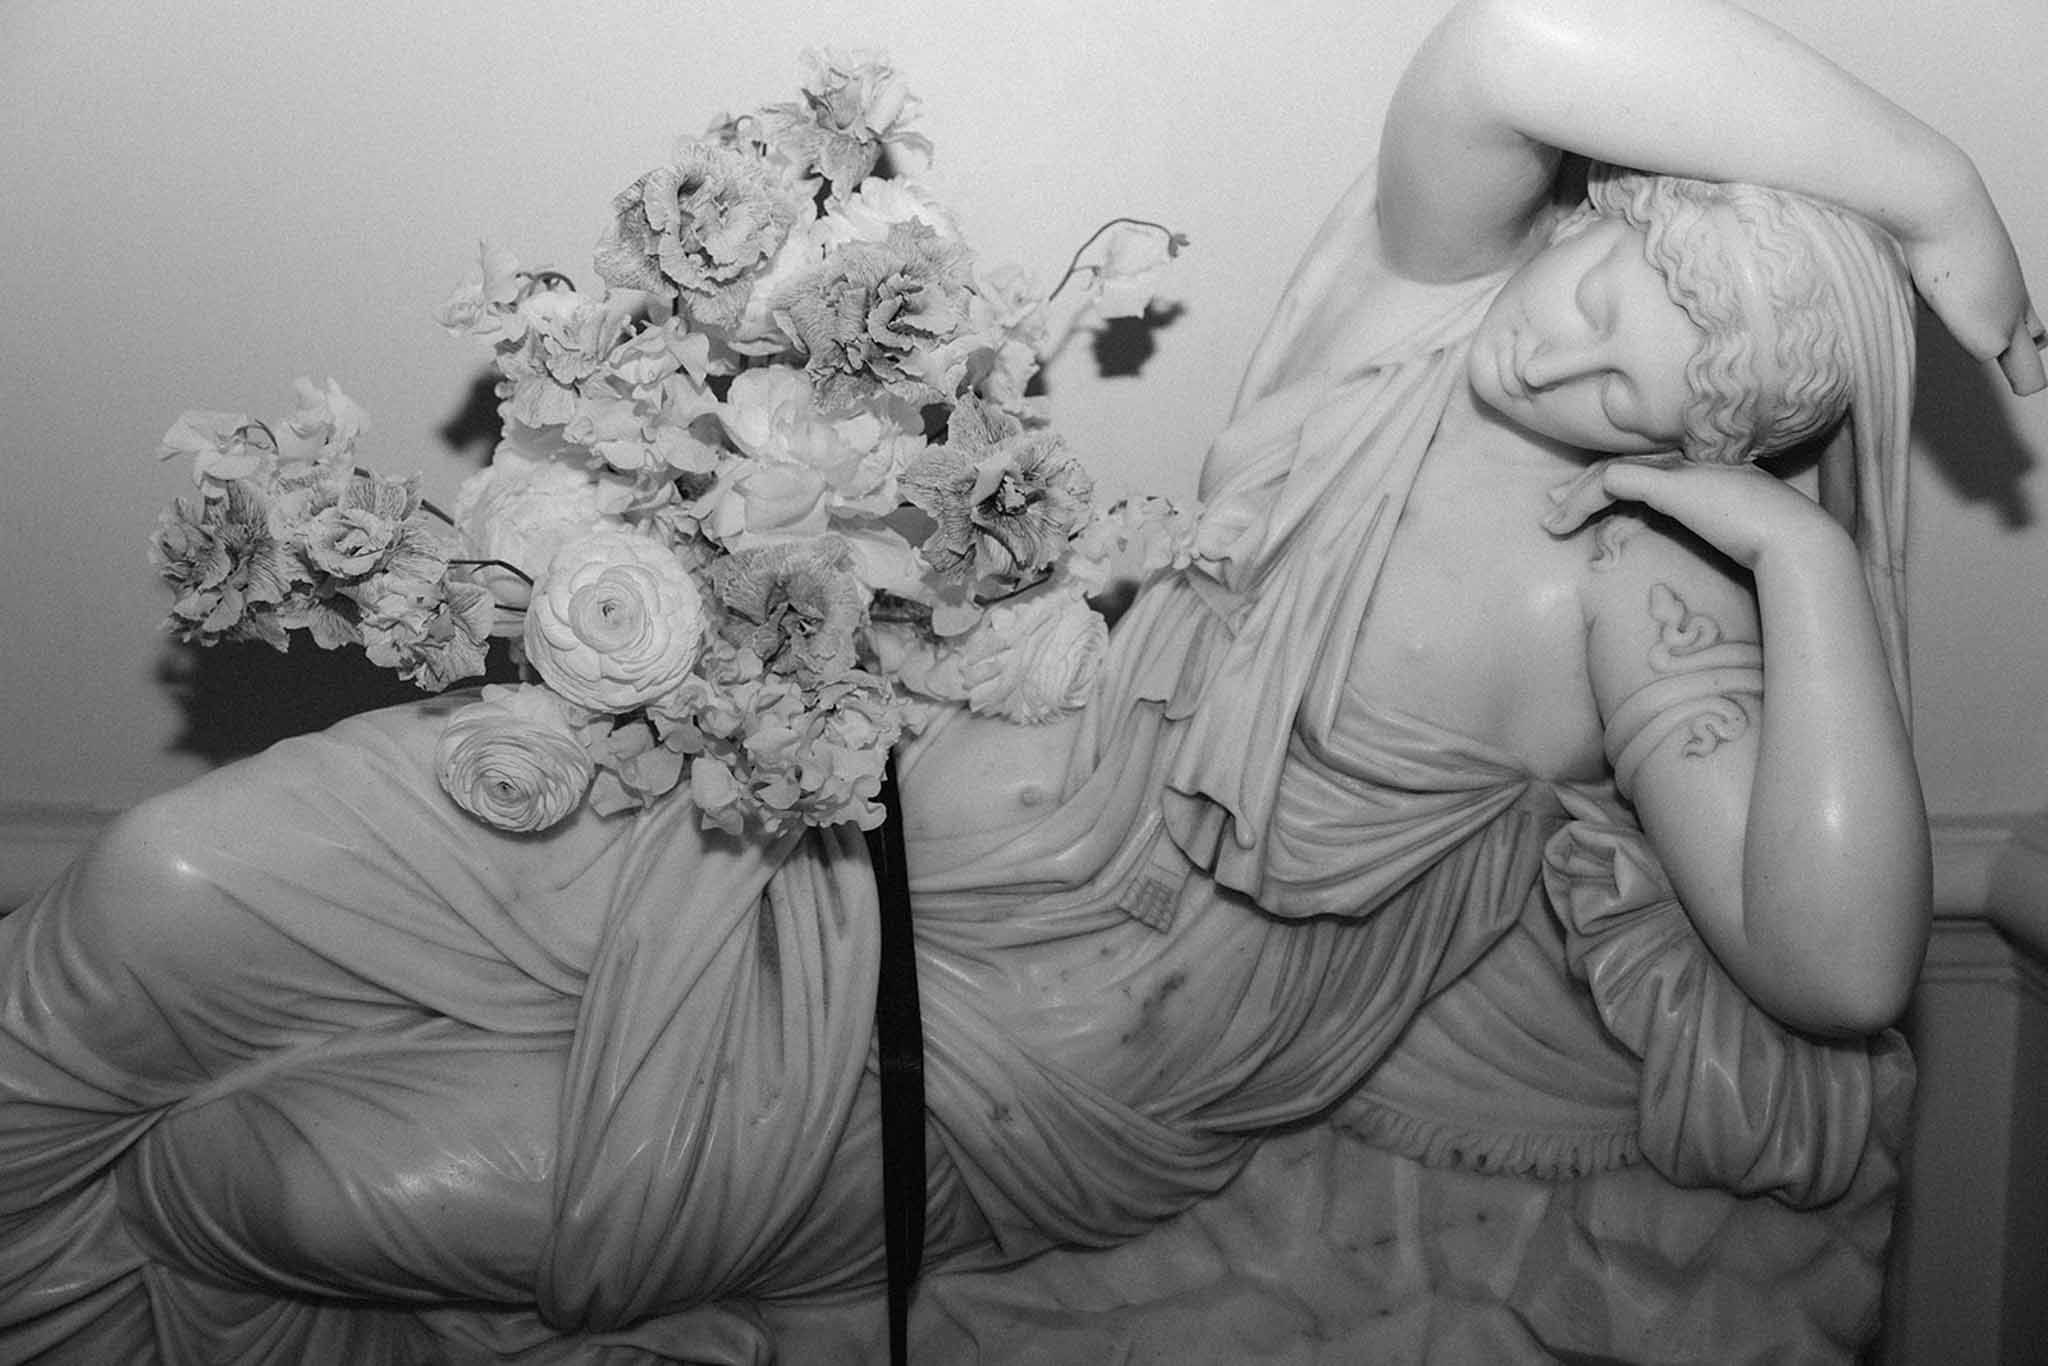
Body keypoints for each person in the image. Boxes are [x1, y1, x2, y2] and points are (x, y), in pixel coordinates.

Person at [2, 1, 2040, 1362]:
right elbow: (1512, 37)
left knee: (270, 1176)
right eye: (1610, 284)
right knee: (151, 884)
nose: (1569, 356)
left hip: (1039, 1063)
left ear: (1706, 452)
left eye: (1642, 390)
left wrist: (1800, 559)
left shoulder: (1630, 593)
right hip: (804, 821)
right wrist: (1938, 192)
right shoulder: (1403, 326)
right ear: (1605, 208)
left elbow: (1840, 966)